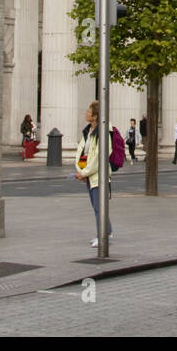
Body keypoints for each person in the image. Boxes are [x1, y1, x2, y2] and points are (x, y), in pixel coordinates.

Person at [73, 101, 111, 247]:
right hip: (89, 174)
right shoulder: (88, 132)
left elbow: (98, 158)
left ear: (95, 116)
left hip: (98, 176)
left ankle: (102, 236)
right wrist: (81, 170)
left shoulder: (103, 133)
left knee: (98, 206)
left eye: (89, 111)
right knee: (97, 206)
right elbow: (82, 152)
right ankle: (107, 231)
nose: (86, 113)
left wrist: (84, 172)